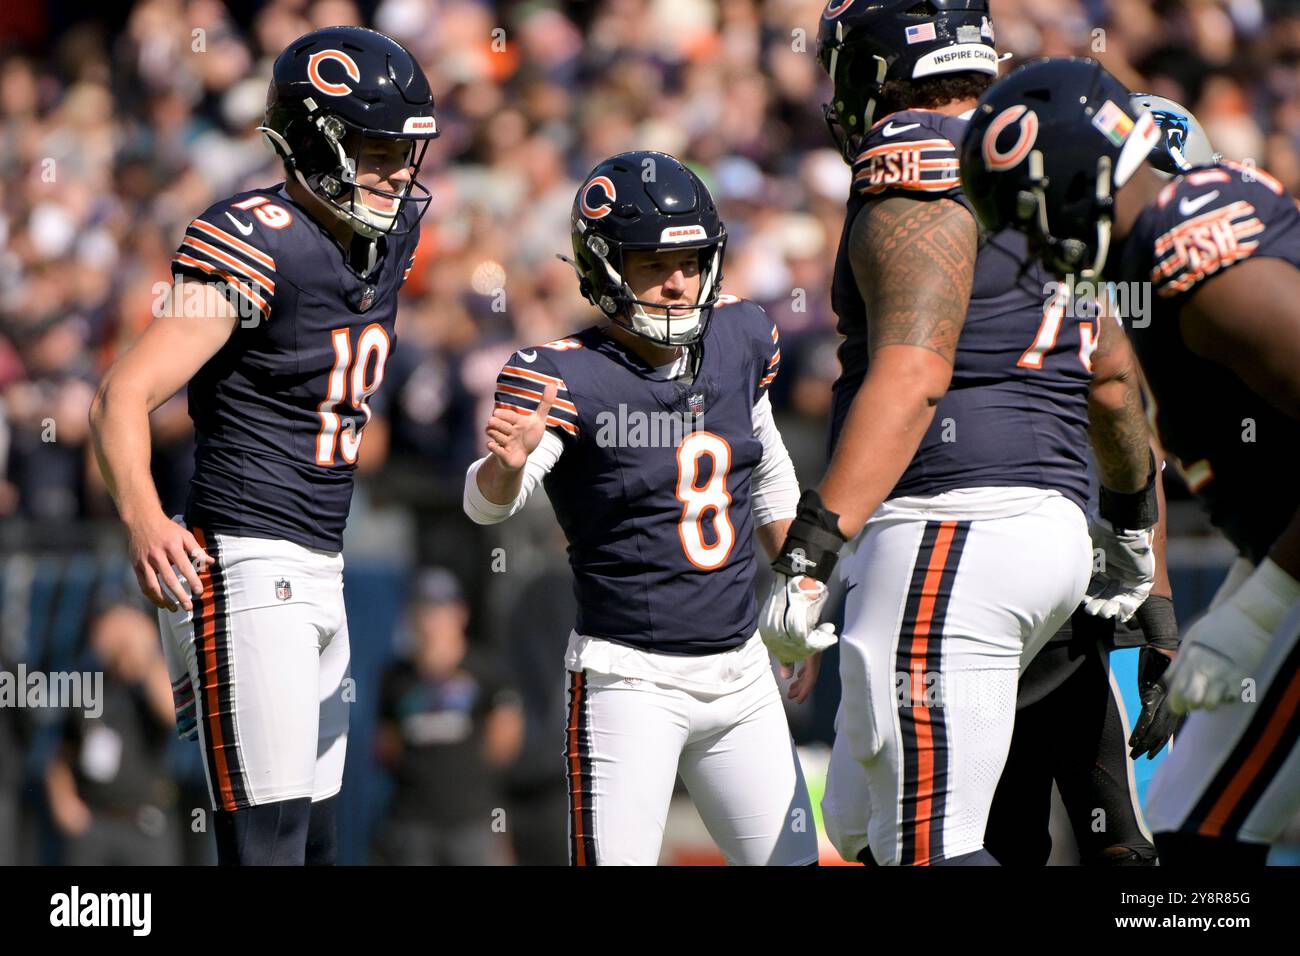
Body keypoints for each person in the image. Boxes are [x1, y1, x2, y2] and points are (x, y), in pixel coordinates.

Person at [766, 1, 1157, 867]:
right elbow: (1115, 382)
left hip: (954, 526)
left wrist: (809, 556)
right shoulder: (1045, 148)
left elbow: (912, 375)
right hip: (1056, 532)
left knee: (927, 851)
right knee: (873, 833)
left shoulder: (916, 151)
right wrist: (1135, 535)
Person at [88, 26, 440, 865]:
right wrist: (144, 520)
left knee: (313, 841)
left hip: (323, 562)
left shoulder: (384, 240)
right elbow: (121, 396)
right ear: (316, 143)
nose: (398, 169)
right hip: (247, 560)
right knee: (267, 842)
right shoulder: (260, 238)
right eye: (376, 147)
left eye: (407, 148)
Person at [959, 56, 1300, 864]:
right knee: (1195, 824)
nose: (1031, 252)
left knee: (1199, 841)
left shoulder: (1192, 263)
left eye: (1026, 217)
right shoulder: (1152, 259)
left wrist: (1257, 610)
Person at [463, 150, 818, 866]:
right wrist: (503, 468)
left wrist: (799, 584)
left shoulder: (741, 335)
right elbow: (489, 506)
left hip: (741, 670)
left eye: (690, 260)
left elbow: (769, 470)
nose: (679, 281)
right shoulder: (564, 373)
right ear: (604, 268)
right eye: (654, 263)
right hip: (631, 679)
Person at [373, 568, 523, 866]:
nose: (431, 622)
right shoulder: (395, 677)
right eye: (424, 610)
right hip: (411, 824)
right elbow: (386, 747)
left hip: (473, 824)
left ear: (460, 614)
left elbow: (505, 742)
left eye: (440, 610)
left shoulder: (486, 670)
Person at [45, 602, 181, 866]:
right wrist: (64, 802)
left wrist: (144, 651)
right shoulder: (87, 688)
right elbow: (62, 754)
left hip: (145, 823)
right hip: (94, 821)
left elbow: (170, 712)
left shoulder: (148, 686)